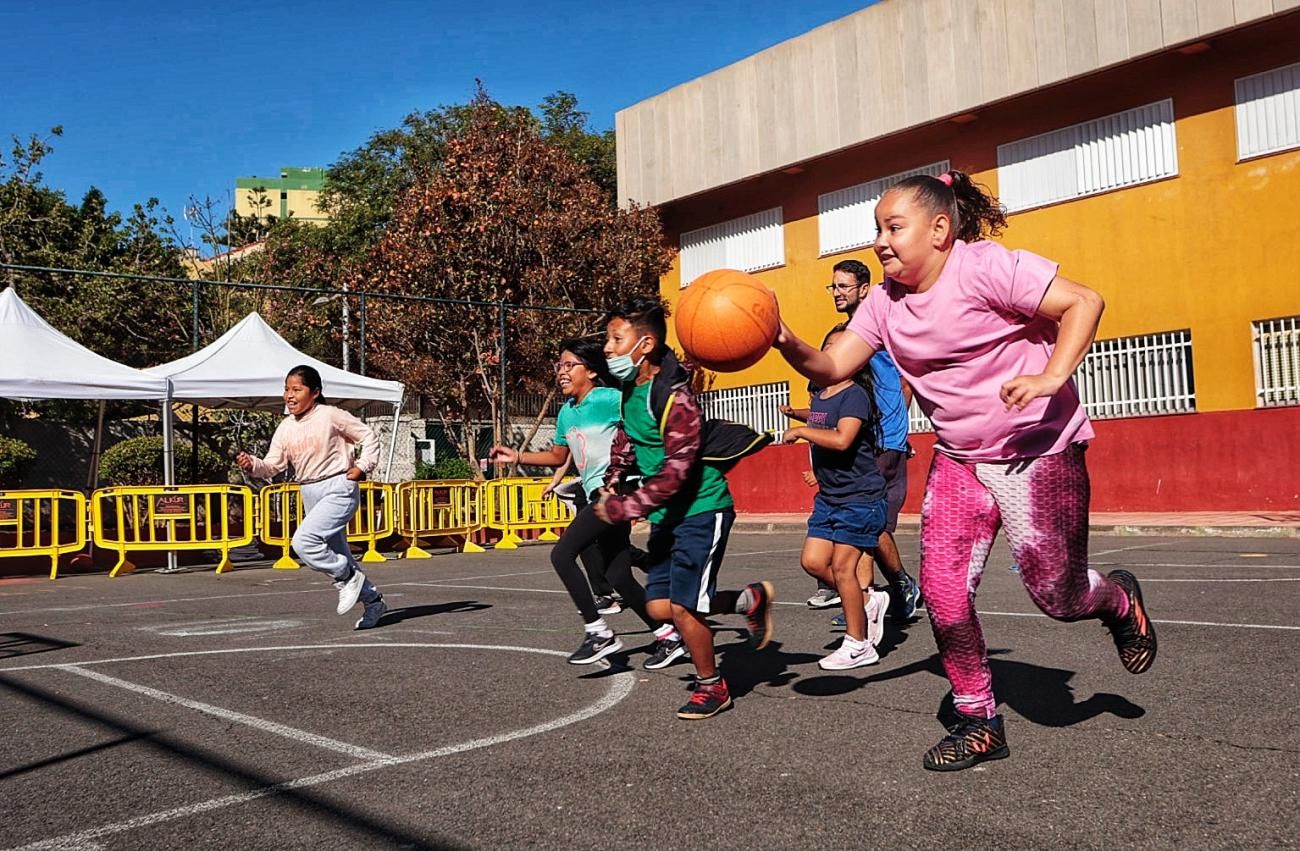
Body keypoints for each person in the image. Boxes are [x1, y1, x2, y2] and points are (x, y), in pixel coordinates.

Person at [774, 170, 1157, 771]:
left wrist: (1052, 376)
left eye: (893, 227)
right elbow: (829, 367)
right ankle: (980, 719)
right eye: (876, 228)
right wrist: (780, 336)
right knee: (947, 597)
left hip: (1039, 452)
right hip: (960, 462)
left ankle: (1116, 602)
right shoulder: (881, 304)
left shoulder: (984, 268)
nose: (880, 240)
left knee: (1058, 596)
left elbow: (1084, 301)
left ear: (940, 229)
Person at [594, 295, 774, 720]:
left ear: (646, 345)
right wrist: (614, 479)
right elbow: (630, 439)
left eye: (616, 339)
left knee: (683, 608)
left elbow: (679, 469)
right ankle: (748, 601)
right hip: (666, 515)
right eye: (608, 338)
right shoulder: (628, 389)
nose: (608, 348)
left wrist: (628, 507)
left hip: (701, 508)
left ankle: (712, 687)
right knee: (659, 607)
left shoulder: (677, 399)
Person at [489, 338, 676, 667]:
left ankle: (598, 631)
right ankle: (668, 636)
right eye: (558, 366)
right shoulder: (566, 412)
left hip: (613, 494)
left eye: (568, 365)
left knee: (562, 554)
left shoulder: (606, 398)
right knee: (618, 576)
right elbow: (559, 456)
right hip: (593, 495)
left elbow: (645, 415)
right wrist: (517, 454)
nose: (561, 372)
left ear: (590, 371)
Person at [785, 259, 921, 620]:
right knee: (864, 529)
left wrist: (896, 429)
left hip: (882, 441)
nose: (837, 293)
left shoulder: (882, 330)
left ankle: (884, 591)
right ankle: (866, 598)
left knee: (868, 526)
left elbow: (907, 381)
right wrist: (802, 415)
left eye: (844, 286)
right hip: (864, 438)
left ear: (864, 289)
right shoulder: (848, 335)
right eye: (834, 287)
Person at [236, 365, 388, 630]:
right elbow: (273, 465)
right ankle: (373, 601)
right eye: (286, 390)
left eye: (297, 389)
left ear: (315, 392)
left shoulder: (330, 415)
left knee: (304, 543)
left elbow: (368, 435)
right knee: (339, 552)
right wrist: (253, 465)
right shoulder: (285, 427)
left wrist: (363, 467)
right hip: (309, 491)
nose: (289, 396)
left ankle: (347, 576)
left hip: (338, 487)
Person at [782, 324, 890, 670]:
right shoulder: (823, 395)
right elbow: (820, 419)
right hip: (830, 497)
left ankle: (859, 644)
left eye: (844, 347)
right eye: (829, 346)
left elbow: (843, 438)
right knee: (813, 562)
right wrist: (797, 414)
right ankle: (866, 600)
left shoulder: (855, 394)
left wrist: (800, 430)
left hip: (860, 497)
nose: (835, 353)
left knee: (844, 569)